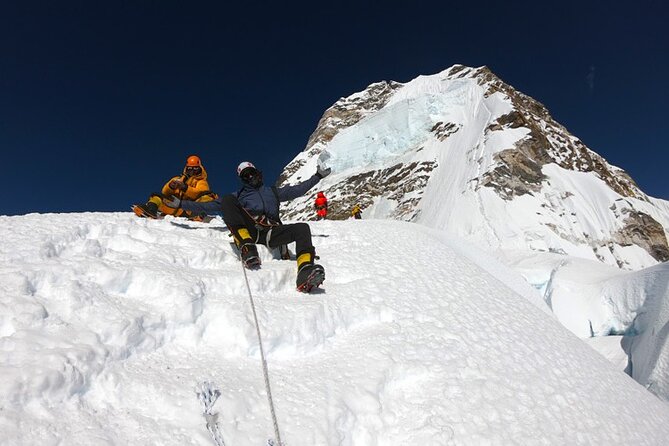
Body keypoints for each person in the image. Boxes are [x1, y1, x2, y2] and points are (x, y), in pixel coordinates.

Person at [167, 161, 332, 292]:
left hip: (272, 233)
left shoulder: (273, 192)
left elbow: (297, 190)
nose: (250, 177)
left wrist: (318, 176)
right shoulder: (238, 196)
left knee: (302, 228)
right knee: (227, 201)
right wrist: (182, 204)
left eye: (252, 173)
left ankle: (304, 270)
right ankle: (247, 248)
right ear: (242, 178)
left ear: (257, 173)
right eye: (246, 175)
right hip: (251, 231)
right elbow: (208, 206)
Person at [132, 155, 218, 220]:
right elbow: (164, 192)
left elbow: (200, 193)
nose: (192, 171)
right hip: (173, 208)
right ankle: (150, 210)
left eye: (195, 168)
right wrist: (170, 186)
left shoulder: (201, 182)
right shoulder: (178, 179)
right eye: (190, 168)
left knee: (209, 196)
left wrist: (185, 188)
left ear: (200, 169)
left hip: (190, 210)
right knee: (157, 196)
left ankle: (197, 215)